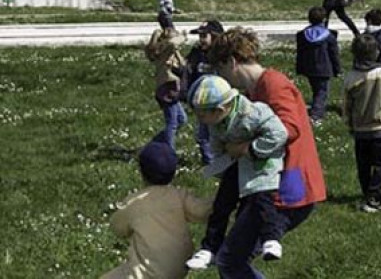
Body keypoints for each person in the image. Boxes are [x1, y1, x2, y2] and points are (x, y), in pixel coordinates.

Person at [206, 27, 327, 278]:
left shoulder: (272, 84)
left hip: (290, 188)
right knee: (232, 259)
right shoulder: (254, 91)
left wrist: (244, 149)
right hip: (271, 185)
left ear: (232, 61)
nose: (222, 78)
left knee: (230, 261)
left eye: (220, 70)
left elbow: (289, 128)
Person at [184, 75, 289, 270]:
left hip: (261, 163)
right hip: (236, 164)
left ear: (220, 109)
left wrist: (249, 148)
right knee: (221, 205)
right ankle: (210, 248)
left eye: (201, 115)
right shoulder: (216, 122)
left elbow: (279, 134)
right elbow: (216, 143)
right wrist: (220, 161)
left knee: (262, 200)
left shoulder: (254, 113)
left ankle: (271, 238)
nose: (200, 120)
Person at [102, 137, 212, 279]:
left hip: (145, 273)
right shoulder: (178, 196)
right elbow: (201, 211)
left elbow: (118, 227)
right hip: (178, 268)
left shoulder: (135, 202)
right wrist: (221, 198)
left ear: (141, 172)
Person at [343, 34, 381, 212]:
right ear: (376, 53)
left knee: (364, 164)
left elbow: (346, 105)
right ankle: (374, 196)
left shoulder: (350, 77)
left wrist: (349, 123)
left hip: (360, 127)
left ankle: (368, 192)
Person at [185, 19, 225, 165]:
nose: (201, 40)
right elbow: (189, 72)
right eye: (199, 36)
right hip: (201, 100)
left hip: (219, 99)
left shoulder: (221, 55)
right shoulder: (197, 54)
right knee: (203, 135)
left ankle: (216, 161)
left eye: (204, 36)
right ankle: (210, 162)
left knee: (217, 132)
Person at [144, 28, 187, 151]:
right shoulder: (164, 53)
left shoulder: (171, 53)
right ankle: (169, 150)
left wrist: (178, 53)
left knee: (181, 119)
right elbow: (173, 43)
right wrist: (183, 37)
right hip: (166, 91)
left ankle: (156, 142)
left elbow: (183, 65)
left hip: (172, 91)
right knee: (172, 123)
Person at [296, 7, 341, 124]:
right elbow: (334, 54)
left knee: (316, 90)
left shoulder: (302, 35)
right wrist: (337, 69)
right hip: (324, 68)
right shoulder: (329, 36)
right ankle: (316, 115)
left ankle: (317, 109)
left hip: (309, 68)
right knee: (322, 92)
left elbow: (300, 53)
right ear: (324, 19)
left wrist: (299, 68)